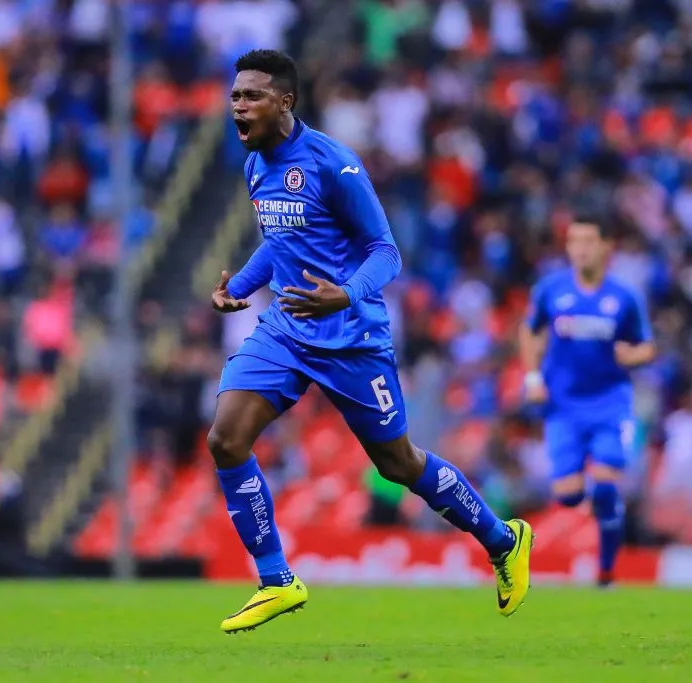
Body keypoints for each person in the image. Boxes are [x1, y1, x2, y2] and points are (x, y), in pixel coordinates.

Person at [210, 50, 533, 634]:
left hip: (351, 338)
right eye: (235, 96)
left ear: (284, 102)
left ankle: (503, 539)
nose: (238, 106)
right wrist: (241, 284)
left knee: (398, 463)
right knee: (225, 439)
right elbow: (280, 241)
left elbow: (386, 252)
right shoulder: (255, 162)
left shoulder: (334, 164)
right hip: (285, 330)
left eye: (251, 96)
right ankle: (277, 580)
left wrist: (346, 294)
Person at [519, 215, 654, 587]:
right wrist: (532, 378)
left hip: (610, 404)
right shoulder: (551, 290)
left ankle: (606, 569)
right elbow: (529, 333)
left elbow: (647, 346)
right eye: (573, 240)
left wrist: (635, 356)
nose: (580, 248)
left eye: (588, 240)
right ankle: (599, 511)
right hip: (562, 408)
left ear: (606, 246)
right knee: (567, 495)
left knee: (607, 486)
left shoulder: (624, 297)